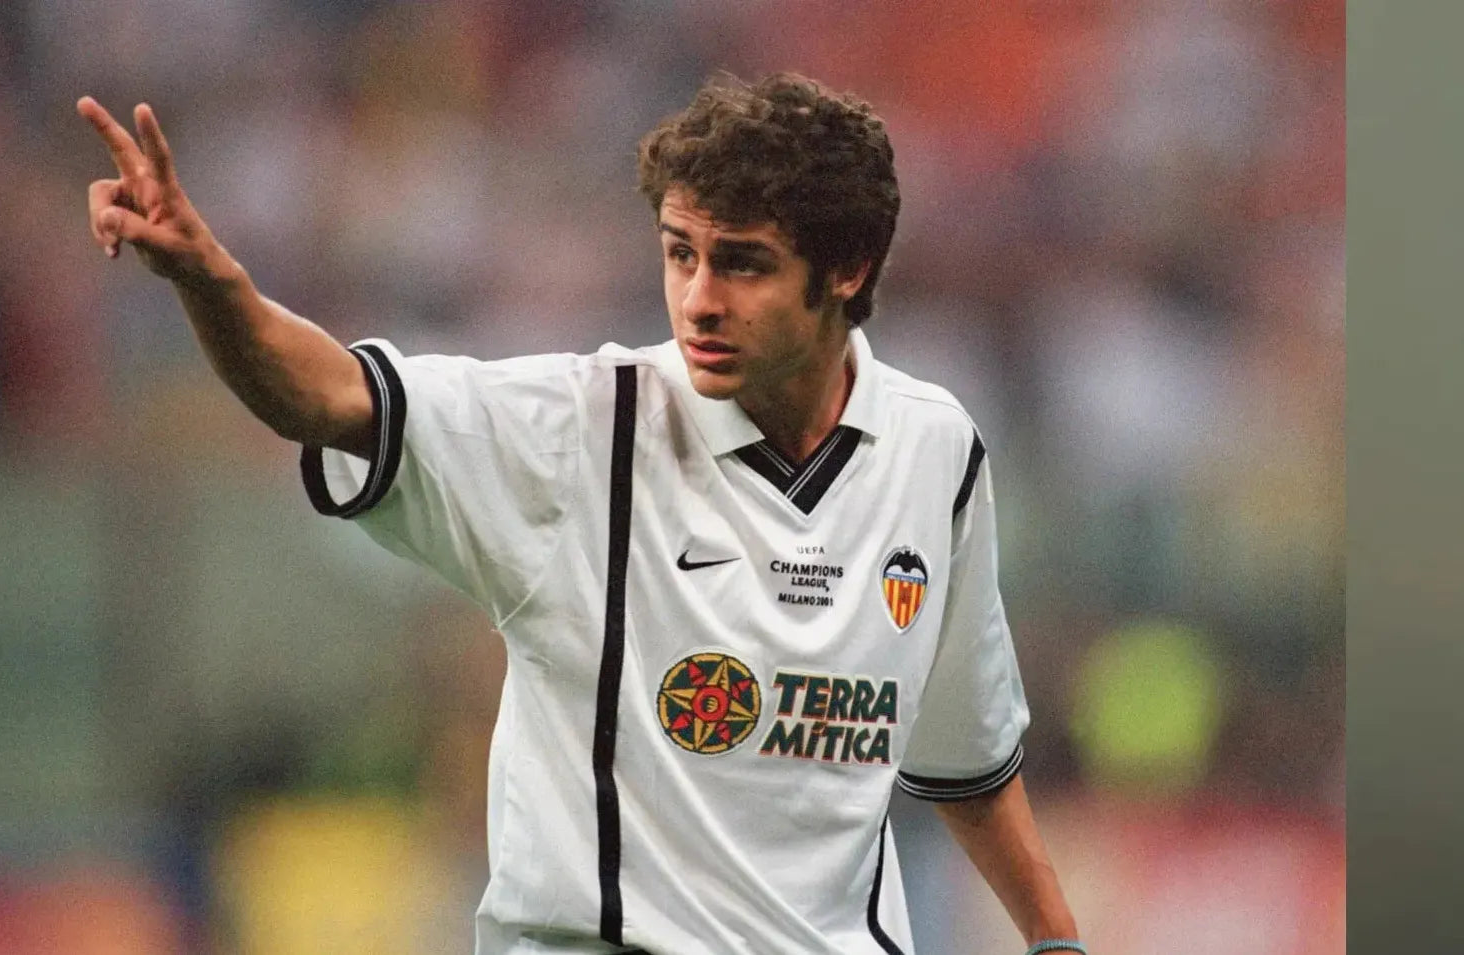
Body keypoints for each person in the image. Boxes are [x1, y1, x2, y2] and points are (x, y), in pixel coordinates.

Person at [78, 72, 1083, 955]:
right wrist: (212, 281)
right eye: (679, 252)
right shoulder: (580, 429)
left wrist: (1053, 936)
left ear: (847, 270)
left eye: (741, 263)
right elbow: (331, 396)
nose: (695, 298)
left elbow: (967, 758)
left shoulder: (934, 449)